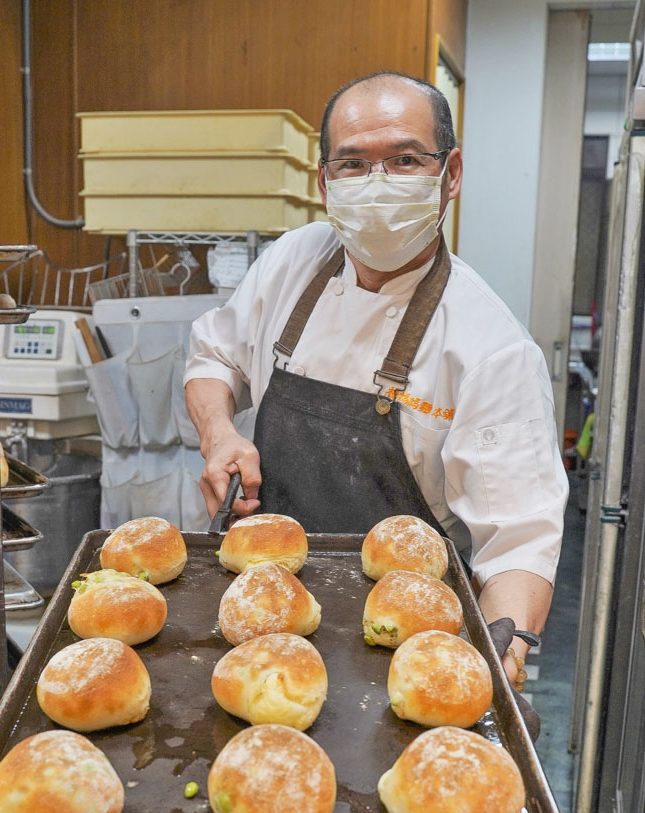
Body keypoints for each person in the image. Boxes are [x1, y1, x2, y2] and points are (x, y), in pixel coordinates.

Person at [185, 70, 568, 687]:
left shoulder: (492, 349)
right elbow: (214, 360)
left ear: (451, 175)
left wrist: (507, 651)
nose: (378, 184)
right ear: (325, 181)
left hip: (402, 650)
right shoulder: (292, 260)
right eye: (354, 164)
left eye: (406, 159)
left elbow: (518, 544)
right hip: (260, 620)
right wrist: (220, 435)